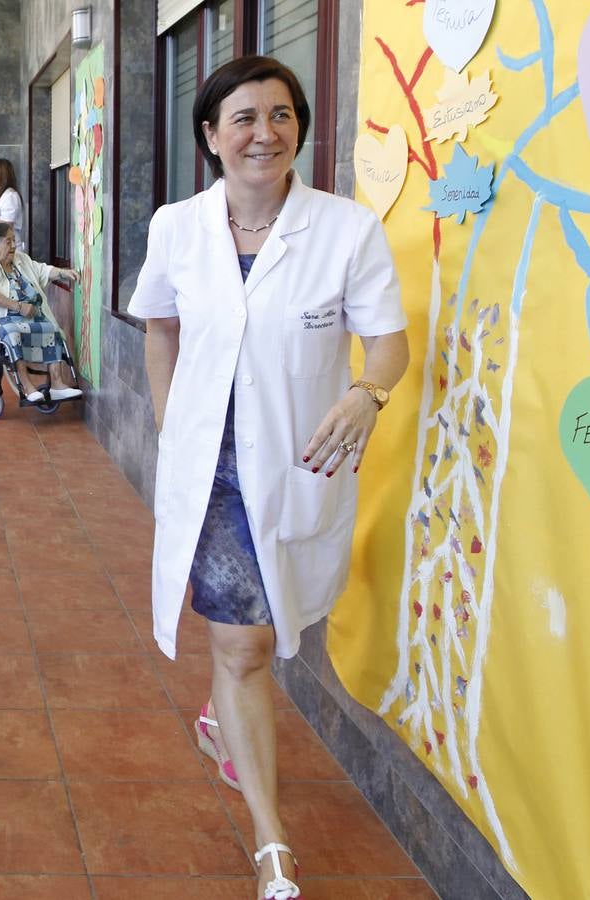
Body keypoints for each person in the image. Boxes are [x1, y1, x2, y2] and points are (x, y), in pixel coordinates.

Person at [130, 56, 410, 900]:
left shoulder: (345, 229)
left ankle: (223, 720)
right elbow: (158, 327)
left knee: (270, 627)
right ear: (211, 137)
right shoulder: (176, 226)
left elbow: (388, 339)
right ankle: (271, 841)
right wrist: (169, 418)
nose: (265, 132)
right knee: (243, 644)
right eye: (243, 118)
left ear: (299, 128)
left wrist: (368, 391)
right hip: (209, 471)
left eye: (281, 115)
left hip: (293, 464)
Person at [0, 222, 82, 403]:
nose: (13, 246)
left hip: (32, 315)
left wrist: (64, 273)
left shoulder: (20, 259)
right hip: (3, 318)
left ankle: (57, 384)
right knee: (12, 333)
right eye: (8, 242)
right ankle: (26, 386)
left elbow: (42, 270)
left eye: (14, 241)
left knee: (51, 328)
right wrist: (19, 307)